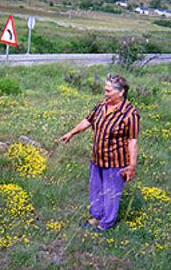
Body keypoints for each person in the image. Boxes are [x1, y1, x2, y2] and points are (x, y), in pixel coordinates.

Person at [58, 73, 140, 232]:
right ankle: (96, 216)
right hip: (97, 159)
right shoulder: (102, 105)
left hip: (116, 162)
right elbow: (88, 120)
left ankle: (106, 224)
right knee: (95, 189)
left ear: (121, 92)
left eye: (108, 91)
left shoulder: (130, 114)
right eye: (105, 90)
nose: (105, 93)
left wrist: (132, 165)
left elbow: (132, 141)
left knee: (111, 193)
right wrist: (71, 133)